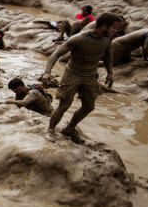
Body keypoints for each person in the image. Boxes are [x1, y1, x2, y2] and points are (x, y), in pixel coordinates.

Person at [41, 12, 124, 143]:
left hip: (90, 76)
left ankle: (69, 129)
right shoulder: (78, 39)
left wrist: (110, 72)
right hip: (72, 74)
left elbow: (108, 55)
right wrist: (47, 72)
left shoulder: (107, 38)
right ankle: (50, 130)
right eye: (114, 28)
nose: (116, 31)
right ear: (103, 26)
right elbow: (56, 54)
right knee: (64, 106)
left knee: (89, 107)